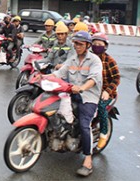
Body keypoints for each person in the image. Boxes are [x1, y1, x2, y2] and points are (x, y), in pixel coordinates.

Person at [52, 31, 103, 177]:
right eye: (75, 43)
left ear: (88, 45)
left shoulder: (94, 60)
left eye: (80, 44)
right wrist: (43, 77)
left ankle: (87, 160)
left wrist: (82, 88)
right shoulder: (72, 59)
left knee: (84, 124)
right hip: (71, 93)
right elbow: (59, 73)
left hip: (88, 96)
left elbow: (94, 79)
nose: (77, 46)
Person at [90, 32, 120, 150]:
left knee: (101, 107)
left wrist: (107, 91)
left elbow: (116, 78)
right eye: (95, 43)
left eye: (99, 44)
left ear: (105, 46)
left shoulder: (109, 61)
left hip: (106, 93)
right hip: (90, 90)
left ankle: (103, 134)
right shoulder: (88, 58)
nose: (97, 46)